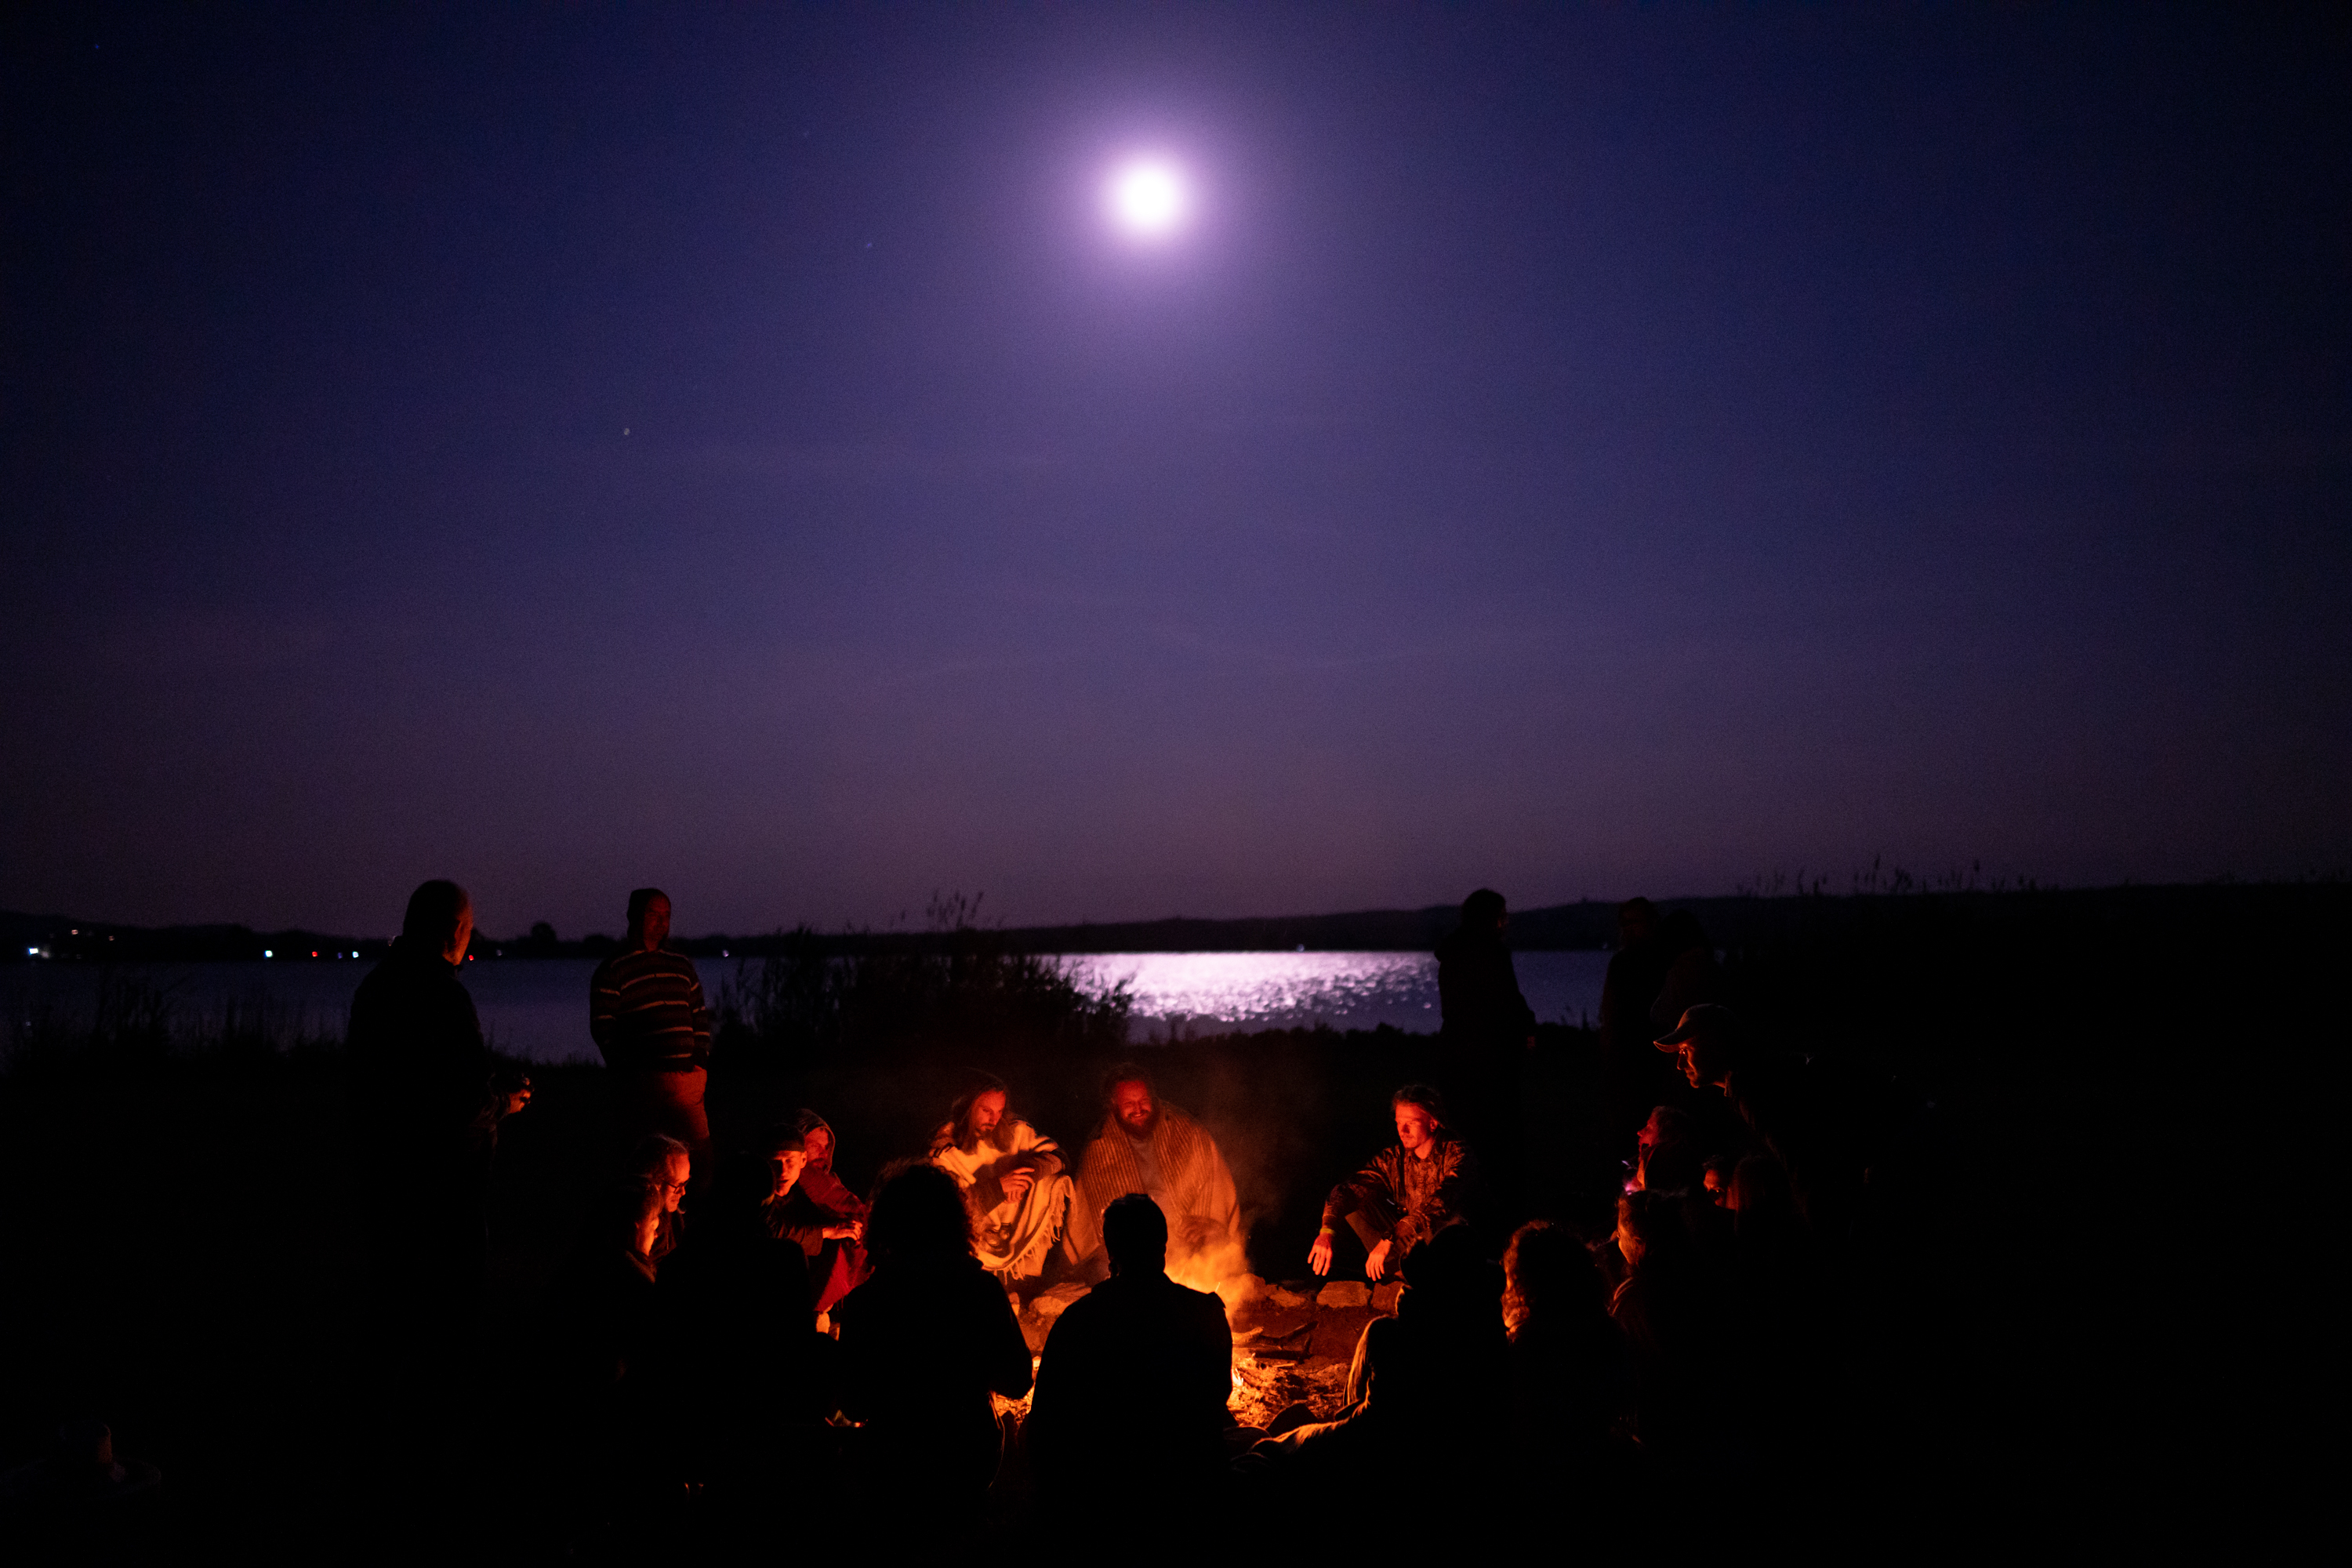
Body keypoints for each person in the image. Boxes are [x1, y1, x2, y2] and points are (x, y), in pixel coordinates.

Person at [346, 879, 530, 1473]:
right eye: (469, 927)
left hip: (386, 1177)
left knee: (391, 1308)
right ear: (455, 930)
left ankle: (373, 1431)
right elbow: (464, 1103)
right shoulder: (444, 997)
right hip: (446, 1185)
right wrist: (504, 1103)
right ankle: (430, 1446)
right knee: (449, 1319)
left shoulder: (375, 988)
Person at [833, 1160, 1034, 1529]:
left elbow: (854, 1402)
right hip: (968, 1456)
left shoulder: (868, 1300)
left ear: (888, 1224)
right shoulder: (981, 1290)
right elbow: (1018, 1380)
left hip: (893, 1461)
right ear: (956, 1221)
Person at [1025, 1195, 1233, 1530]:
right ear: (1163, 1246)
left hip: (1101, 1499)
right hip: (1188, 1495)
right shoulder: (1206, 1313)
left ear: (1110, 1251)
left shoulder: (1078, 1321)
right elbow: (1217, 1398)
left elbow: (1045, 1420)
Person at [1065, 1064, 1242, 1287]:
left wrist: (1210, 1226)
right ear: (1114, 1106)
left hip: (1190, 1248)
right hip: (1133, 1256)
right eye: (1129, 1104)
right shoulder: (1100, 1149)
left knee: (1215, 1246)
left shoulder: (1186, 1131)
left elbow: (1214, 1190)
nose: (1138, 1109)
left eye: (1144, 1100)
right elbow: (1097, 1225)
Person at [1309, 1085, 1483, 1281]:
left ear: (1433, 1123)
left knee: (1455, 1222)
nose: (1403, 1130)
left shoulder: (1457, 1153)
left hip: (1451, 1240)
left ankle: (1448, 1276)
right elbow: (1349, 1189)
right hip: (1413, 1239)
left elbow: (1441, 1201)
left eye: (1411, 1123)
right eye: (1399, 1123)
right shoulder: (1394, 1158)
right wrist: (1327, 1231)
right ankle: (1402, 1271)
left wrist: (1390, 1237)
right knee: (1355, 1204)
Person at [1501, 1221, 1629, 1485]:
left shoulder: (1528, 1347)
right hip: (1602, 1465)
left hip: (1549, 1476)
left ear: (1525, 1281)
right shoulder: (1606, 1330)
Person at [589, 887, 712, 1153]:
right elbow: (603, 1026)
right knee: (648, 1154)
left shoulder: (681, 964)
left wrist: (700, 1060)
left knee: (699, 1154)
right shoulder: (614, 969)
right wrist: (627, 1069)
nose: (661, 922)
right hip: (644, 1084)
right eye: (653, 914)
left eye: (666, 915)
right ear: (634, 916)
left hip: (687, 1080)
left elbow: (700, 1014)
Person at [927, 1073, 1076, 1291]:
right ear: (967, 1107)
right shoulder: (945, 1150)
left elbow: (1060, 1157)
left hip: (1015, 1238)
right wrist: (998, 1189)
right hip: (971, 1248)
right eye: (986, 1111)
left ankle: (1028, 1278)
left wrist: (1028, 1173)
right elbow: (945, 1214)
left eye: (999, 1111)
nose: (994, 1119)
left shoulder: (1015, 1130)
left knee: (1056, 1182)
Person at [1434, 889, 1537, 1189]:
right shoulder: (1491, 953)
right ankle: (1500, 1197)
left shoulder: (1453, 954)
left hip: (1457, 1052)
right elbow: (1508, 1001)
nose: (1506, 922)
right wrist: (1526, 1028)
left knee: (1466, 1129)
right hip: (1490, 1056)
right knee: (1497, 1133)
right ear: (1490, 918)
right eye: (1502, 916)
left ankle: (1467, 1191)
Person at [782, 1109, 870, 1315]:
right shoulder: (793, 1181)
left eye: (826, 1147)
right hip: (795, 1293)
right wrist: (829, 1231)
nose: (823, 1153)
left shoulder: (830, 1181)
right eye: (815, 1145)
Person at [622, 1133, 691, 1261]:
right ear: (653, 1181)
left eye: (685, 1182)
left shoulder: (675, 1220)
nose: (683, 1192)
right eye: (677, 1185)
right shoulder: (635, 1228)